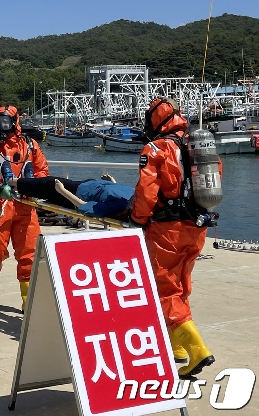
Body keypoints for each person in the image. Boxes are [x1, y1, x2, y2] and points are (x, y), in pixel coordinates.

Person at [130, 97, 222, 378]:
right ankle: (177, 346)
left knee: (164, 289)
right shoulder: (198, 146)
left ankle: (196, 350)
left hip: (167, 229)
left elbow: (146, 192)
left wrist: (136, 220)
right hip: (197, 226)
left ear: (155, 120)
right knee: (181, 284)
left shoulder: (156, 148)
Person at [0, 105, 49, 311]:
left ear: (15, 123)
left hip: (25, 205)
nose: (1, 127)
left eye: (5, 123)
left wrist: (33, 186)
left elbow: (42, 169)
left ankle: (26, 298)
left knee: (29, 253)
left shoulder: (30, 146)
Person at [9, 174, 134, 220]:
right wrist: (112, 182)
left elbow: (85, 207)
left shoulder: (120, 205)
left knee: (47, 183)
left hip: (77, 192)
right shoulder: (135, 194)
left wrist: (62, 191)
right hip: (90, 185)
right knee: (44, 185)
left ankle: (9, 181)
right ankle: (17, 181)